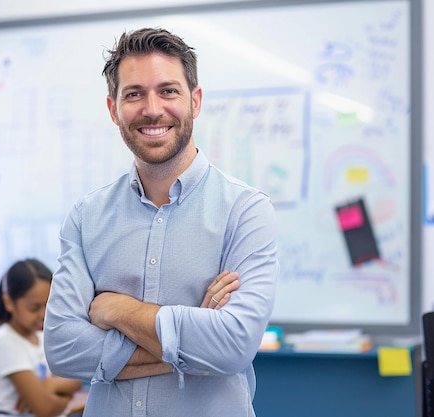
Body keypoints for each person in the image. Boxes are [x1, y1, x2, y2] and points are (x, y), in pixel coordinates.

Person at [43, 27, 279, 417]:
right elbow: (63, 349)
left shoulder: (246, 210)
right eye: (134, 94)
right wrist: (193, 346)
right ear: (113, 108)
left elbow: (234, 346)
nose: (152, 109)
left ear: (195, 101)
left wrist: (118, 312)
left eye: (168, 90)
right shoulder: (86, 218)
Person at [0, 259, 83, 417]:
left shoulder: (41, 337)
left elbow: (76, 381)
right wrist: (66, 397)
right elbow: (45, 409)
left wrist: (50, 385)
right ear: (8, 302)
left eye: (48, 305)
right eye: (34, 307)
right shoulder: (5, 341)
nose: (43, 315)